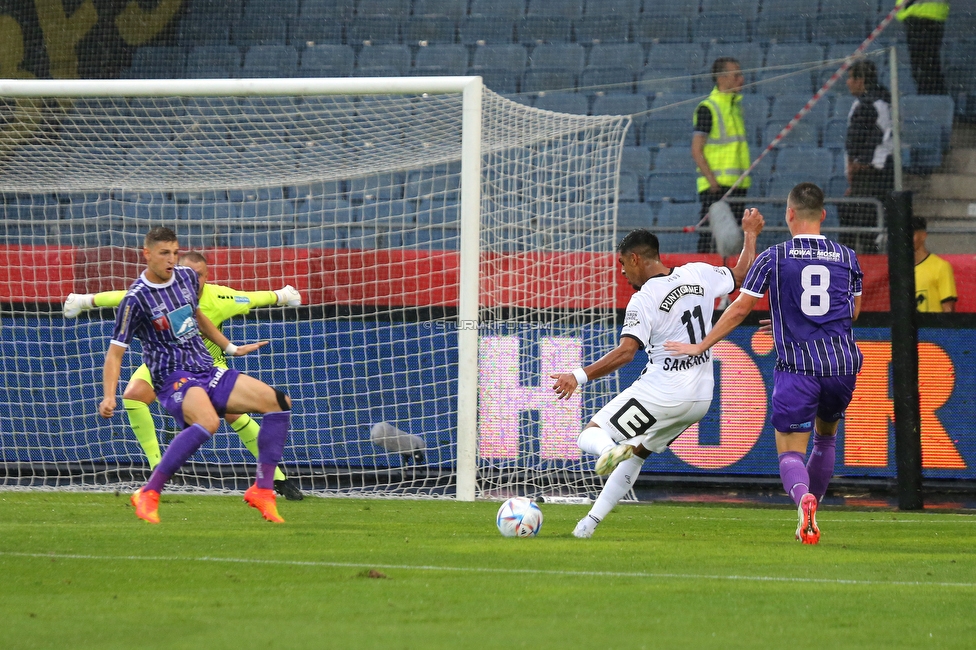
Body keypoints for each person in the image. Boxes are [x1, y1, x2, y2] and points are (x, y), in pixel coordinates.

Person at [665, 183, 863, 545]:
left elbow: (739, 307)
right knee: (826, 436)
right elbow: (851, 311)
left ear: (789, 214)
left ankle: (803, 499)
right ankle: (813, 509)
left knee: (790, 450)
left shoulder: (775, 257)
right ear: (822, 214)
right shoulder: (847, 256)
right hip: (842, 366)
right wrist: (797, 317)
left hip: (799, 368)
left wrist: (701, 345)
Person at [550, 209, 764, 539]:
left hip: (663, 391)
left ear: (635, 258)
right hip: (700, 398)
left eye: (622, 264)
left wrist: (577, 376)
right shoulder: (700, 273)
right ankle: (586, 526)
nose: (622, 272)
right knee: (636, 456)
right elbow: (739, 275)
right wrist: (750, 234)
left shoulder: (644, 298)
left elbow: (626, 352)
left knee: (589, 434)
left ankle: (608, 450)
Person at [66, 252, 305, 500]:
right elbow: (123, 297)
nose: (192, 279)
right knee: (133, 395)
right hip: (166, 364)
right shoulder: (160, 292)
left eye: (198, 274)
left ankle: (277, 480)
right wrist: (86, 300)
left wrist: (283, 296)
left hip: (207, 364)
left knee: (235, 414)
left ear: (206, 276)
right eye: (185, 272)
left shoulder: (221, 298)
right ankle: (156, 469)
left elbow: (254, 298)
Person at [99, 227, 293, 524]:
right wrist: (109, 396)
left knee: (279, 402)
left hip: (207, 369)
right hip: (172, 376)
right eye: (164, 253)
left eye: (175, 253)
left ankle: (263, 490)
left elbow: (197, 315)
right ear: (147, 254)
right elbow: (115, 353)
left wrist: (230, 348)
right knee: (208, 421)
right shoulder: (136, 299)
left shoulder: (187, 278)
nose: (171, 260)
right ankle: (149, 493)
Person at [692, 57, 751, 254]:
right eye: (736, 75)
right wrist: (713, 184)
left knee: (733, 242)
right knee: (711, 241)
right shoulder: (708, 108)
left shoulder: (735, 107)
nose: (741, 79)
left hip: (737, 185)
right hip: (717, 188)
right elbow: (696, 149)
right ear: (721, 78)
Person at [840, 59, 894, 255]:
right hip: (883, 172)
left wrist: (854, 169)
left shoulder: (867, 105)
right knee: (867, 222)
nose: (847, 82)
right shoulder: (885, 100)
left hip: (870, 175)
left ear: (860, 80)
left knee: (856, 223)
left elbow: (854, 143)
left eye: (850, 78)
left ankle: (851, 267)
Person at [896, 0, 949, 96]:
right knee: (926, 64)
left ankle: (930, 97)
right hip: (920, 16)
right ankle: (932, 97)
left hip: (923, 16)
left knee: (925, 65)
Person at [913, 216, 957, 312]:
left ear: (923, 235)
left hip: (931, 326)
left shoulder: (940, 266)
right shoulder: (900, 270)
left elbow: (948, 309)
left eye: (912, 234)